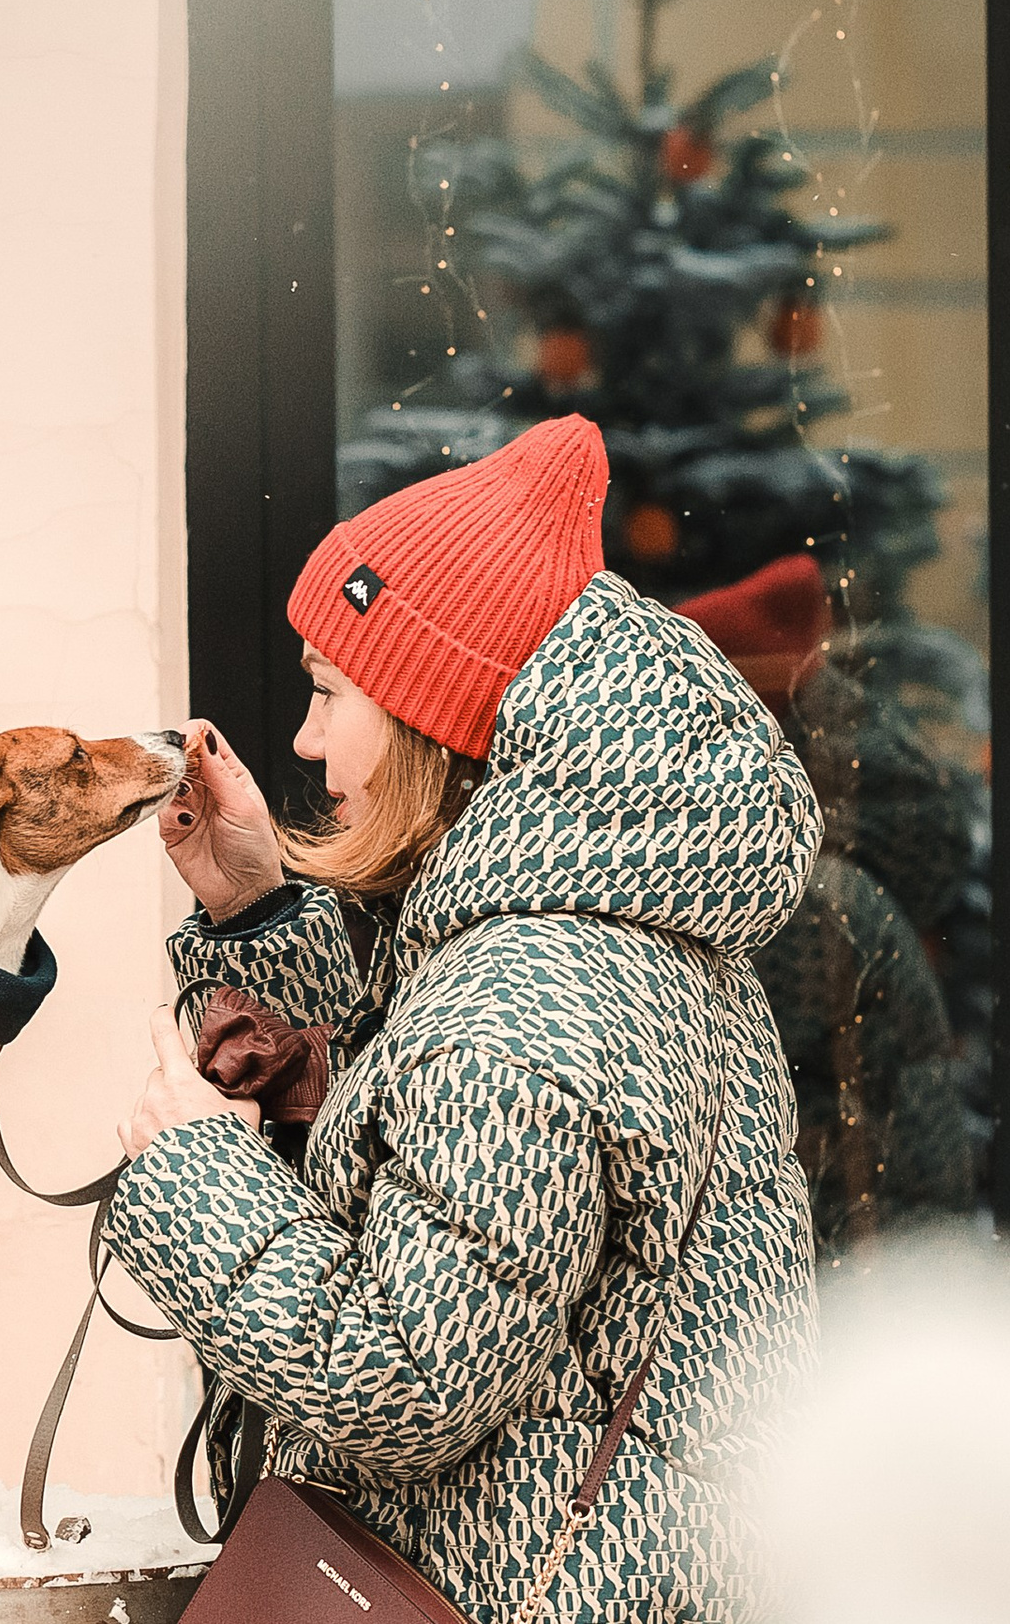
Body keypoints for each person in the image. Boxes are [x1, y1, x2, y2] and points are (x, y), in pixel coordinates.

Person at [100, 415, 822, 1624]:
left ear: (432, 712)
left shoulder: (520, 1002)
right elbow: (434, 1152)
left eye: (329, 692)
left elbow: (403, 1377)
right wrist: (256, 914)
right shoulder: (603, 921)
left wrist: (196, 1178)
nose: (305, 740)